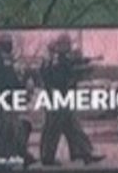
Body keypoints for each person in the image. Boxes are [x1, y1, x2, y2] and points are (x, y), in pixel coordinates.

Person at [38, 34, 105, 166]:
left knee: (70, 127)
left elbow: (72, 64)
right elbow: (63, 76)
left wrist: (86, 63)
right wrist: (82, 72)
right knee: (55, 129)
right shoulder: (58, 60)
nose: (69, 47)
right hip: (59, 99)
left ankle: (83, 153)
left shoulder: (52, 59)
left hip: (56, 98)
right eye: (67, 44)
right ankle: (49, 158)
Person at [0, 34, 37, 168]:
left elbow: (11, 80)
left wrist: (21, 88)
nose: (10, 45)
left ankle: (18, 155)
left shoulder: (3, 58)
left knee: (16, 128)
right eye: (8, 43)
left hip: (8, 100)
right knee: (2, 132)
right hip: (0, 101)